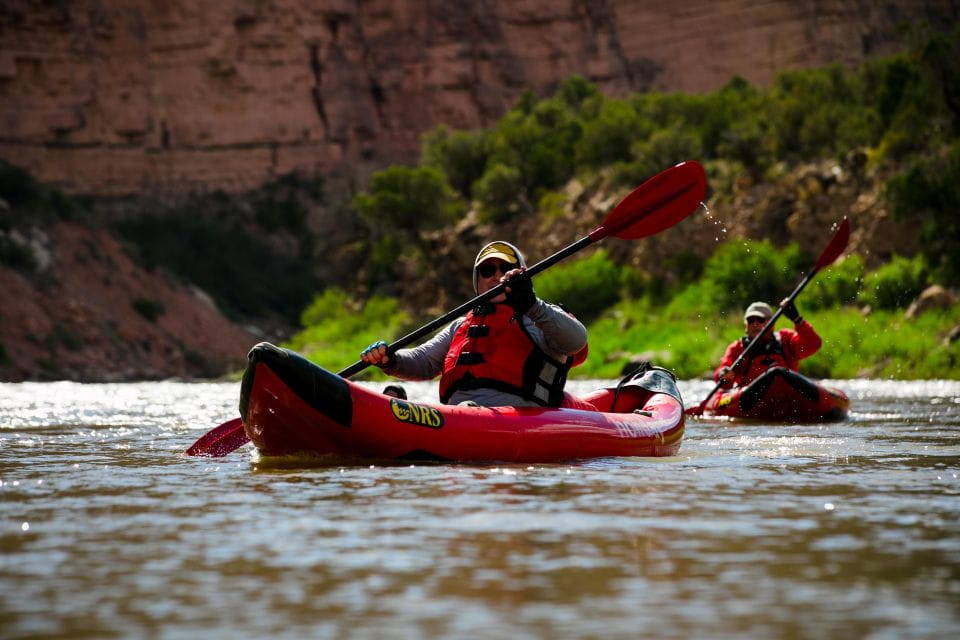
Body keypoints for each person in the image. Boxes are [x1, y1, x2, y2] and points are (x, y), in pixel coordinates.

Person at [361, 241, 593, 409]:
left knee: (467, 410)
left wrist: (531, 304)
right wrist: (389, 359)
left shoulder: (539, 316)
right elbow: (423, 361)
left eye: (505, 269)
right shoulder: (460, 325)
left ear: (521, 274)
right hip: (460, 416)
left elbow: (577, 340)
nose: (496, 276)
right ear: (478, 281)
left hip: (520, 421)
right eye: (487, 270)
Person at [714, 299, 822, 388]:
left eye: (760, 320)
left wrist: (797, 319)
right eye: (751, 320)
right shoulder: (737, 348)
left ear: (772, 323)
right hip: (751, 398)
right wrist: (723, 374)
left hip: (786, 394)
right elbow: (725, 381)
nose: (755, 324)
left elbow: (814, 344)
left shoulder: (786, 340)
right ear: (745, 326)